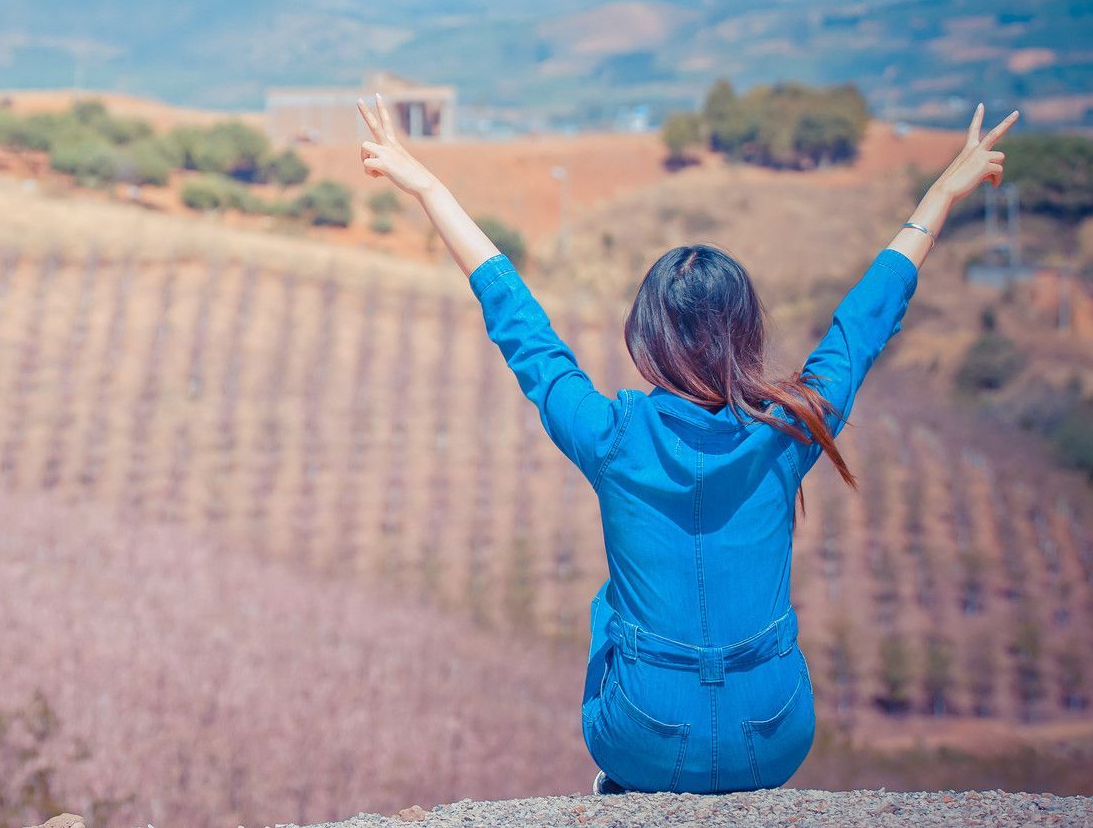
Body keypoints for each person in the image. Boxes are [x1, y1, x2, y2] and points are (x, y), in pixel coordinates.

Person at [357, 95, 1017, 795]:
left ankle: (631, 789)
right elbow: (864, 323)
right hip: (776, 735)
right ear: (747, 330)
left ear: (646, 338)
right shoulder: (793, 426)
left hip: (645, 735)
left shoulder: (611, 435)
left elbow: (521, 327)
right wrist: (943, 192)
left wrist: (428, 188)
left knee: (612, 605)